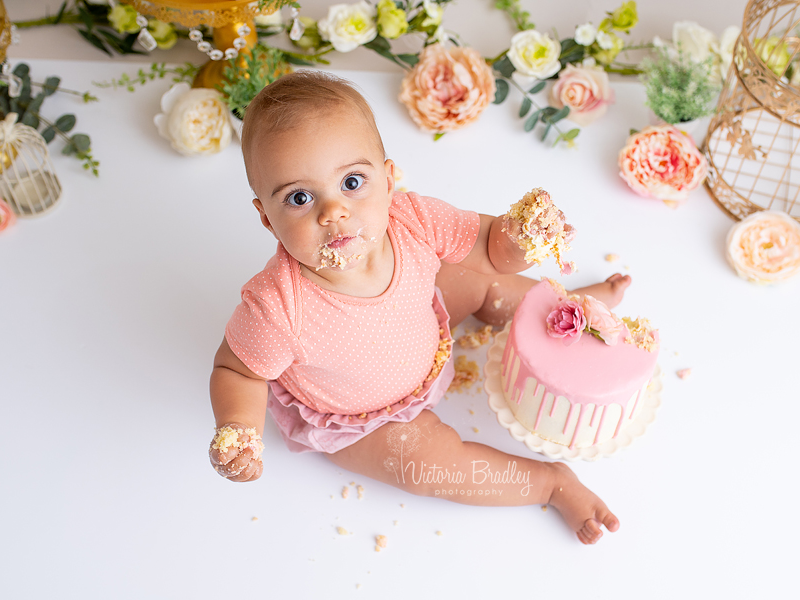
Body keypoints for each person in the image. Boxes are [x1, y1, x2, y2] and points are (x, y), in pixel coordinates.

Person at [208, 70, 631, 545]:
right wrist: (238, 428)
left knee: (478, 280)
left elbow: (489, 249)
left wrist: (522, 238)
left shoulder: (410, 221)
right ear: (267, 216)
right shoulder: (275, 306)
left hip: (427, 331)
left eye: (352, 181)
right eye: (299, 198)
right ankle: (550, 484)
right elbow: (239, 372)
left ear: (388, 181)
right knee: (427, 466)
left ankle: (567, 310)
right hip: (364, 420)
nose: (333, 212)